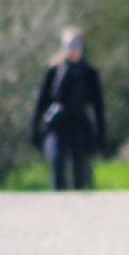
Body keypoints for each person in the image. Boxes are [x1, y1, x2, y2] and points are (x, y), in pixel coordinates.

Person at [30, 27, 107, 191]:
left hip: (80, 125)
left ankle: (77, 208)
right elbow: (41, 102)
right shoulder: (53, 71)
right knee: (56, 162)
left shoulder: (89, 73)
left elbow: (98, 106)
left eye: (76, 45)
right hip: (57, 124)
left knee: (80, 172)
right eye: (69, 45)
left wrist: (101, 134)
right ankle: (58, 205)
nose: (72, 50)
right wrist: (34, 128)